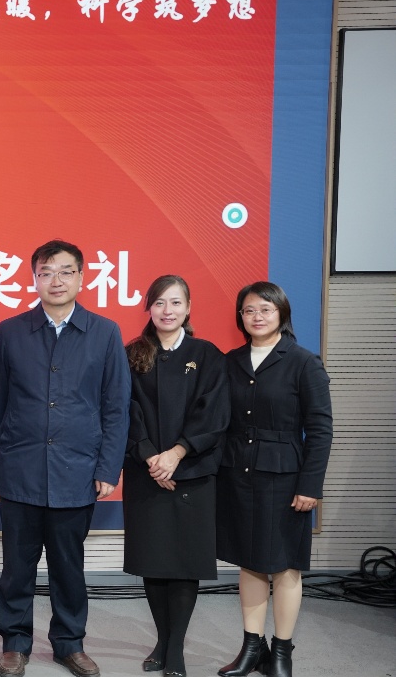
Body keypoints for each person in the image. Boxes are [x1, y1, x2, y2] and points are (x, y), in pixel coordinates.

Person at [0, 239, 130, 677]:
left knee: (69, 566)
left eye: (66, 271)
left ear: (82, 278)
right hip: (21, 470)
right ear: (34, 279)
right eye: (46, 272)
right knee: (17, 566)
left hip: (78, 471)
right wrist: (11, 446)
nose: (56, 280)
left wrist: (107, 467)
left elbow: (116, 406)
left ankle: (69, 643)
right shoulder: (10, 331)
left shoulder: (104, 332)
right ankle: (15, 642)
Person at [215, 282, 332, 677]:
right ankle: (252, 649)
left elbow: (321, 430)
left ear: (282, 313)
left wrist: (310, 485)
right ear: (240, 317)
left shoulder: (303, 362)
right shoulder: (230, 362)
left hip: (285, 480)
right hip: (237, 475)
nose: (257, 317)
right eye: (249, 310)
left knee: (285, 566)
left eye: (266, 309)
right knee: (250, 564)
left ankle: (281, 653)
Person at [121, 275, 230, 677]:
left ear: (188, 307)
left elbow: (214, 413)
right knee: (154, 560)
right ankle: (162, 641)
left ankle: (176, 649)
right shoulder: (132, 354)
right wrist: (152, 457)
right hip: (146, 471)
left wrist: (177, 454)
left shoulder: (207, 354)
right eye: (159, 303)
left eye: (176, 303)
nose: (167, 311)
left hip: (193, 473)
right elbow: (124, 410)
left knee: (184, 563)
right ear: (149, 308)